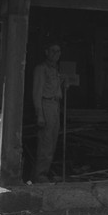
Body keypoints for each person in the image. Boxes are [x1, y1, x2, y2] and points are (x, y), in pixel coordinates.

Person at [32, 41, 64, 183]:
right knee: (45, 142)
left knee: (52, 142)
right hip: (46, 105)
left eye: (58, 51)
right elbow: (37, 92)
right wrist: (40, 114)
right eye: (53, 51)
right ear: (46, 52)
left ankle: (45, 172)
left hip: (55, 105)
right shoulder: (41, 69)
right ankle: (40, 175)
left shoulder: (56, 69)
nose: (55, 54)